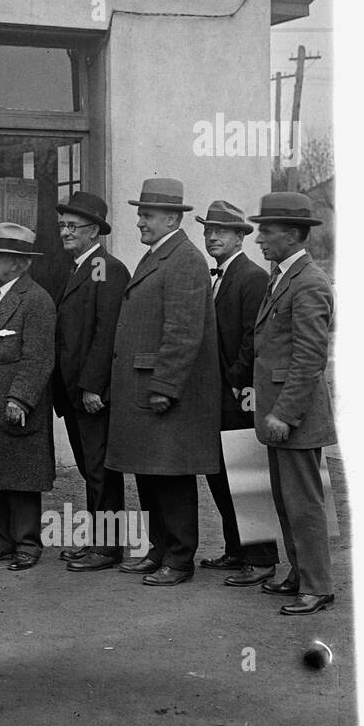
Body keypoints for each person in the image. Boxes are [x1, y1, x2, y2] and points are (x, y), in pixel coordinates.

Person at [106, 178, 221, 586]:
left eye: (147, 215)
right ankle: (159, 549)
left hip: (160, 393)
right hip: (145, 390)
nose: (140, 222)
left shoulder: (184, 259)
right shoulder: (160, 255)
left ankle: (180, 558)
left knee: (171, 477)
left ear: (172, 218)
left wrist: (165, 387)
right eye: (140, 214)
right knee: (150, 474)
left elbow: (184, 331)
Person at [248, 192, 337, 615]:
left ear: (292, 234)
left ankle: (318, 586)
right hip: (280, 411)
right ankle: (300, 574)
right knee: (286, 500)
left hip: (293, 414)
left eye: (267, 230)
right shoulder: (284, 276)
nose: (259, 237)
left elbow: (309, 358)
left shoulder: (309, 282)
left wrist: (284, 413)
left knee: (304, 504)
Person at [195, 200, 280, 586]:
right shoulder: (220, 277)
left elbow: (253, 337)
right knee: (221, 475)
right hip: (218, 393)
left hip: (240, 392)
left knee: (246, 474)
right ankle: (236, 549)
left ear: (239, 237)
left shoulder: (251, 277)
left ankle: (261, 560)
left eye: (222, 231)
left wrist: (232, 379)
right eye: (209, 230)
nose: (212, 236)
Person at [0, 224, 56, 572]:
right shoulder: (1, 295)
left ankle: (28, 545)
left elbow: (39, 357)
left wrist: (20, 399)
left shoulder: (36, 300)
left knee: (21, 479)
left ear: (19, 264)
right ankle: (3, 539)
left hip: (15, 406)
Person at [51, 192, 131, 573]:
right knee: (90, 470)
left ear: (94, 230)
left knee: (101, 472)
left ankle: (109, 547)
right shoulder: (80, 267)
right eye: (62, 225)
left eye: (73, 226)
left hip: (90, 394)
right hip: (75, 392)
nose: (65, 232)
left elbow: (107, 333)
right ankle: (99, 541)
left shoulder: (106, 269)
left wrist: (93, 386)